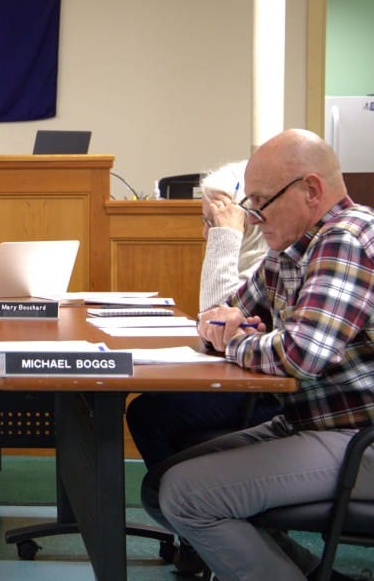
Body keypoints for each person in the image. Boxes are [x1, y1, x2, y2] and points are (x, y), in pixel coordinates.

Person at [141, 129, 374, 581]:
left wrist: (235, 339)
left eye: (261, 201)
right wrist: (226, 328)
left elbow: (301, 354)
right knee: (159, 488)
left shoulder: (345, 238)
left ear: (311, 190)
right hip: (312, 424)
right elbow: (220, 315)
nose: (252, 215)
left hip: (359, 437)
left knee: (187, 496)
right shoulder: (289, 249)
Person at [127, 161, 280, 469]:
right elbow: (216, 324)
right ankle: (180, 496)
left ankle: (175, 497)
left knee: (148, 414)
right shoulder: (259, 259)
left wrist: (224, 235)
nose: (203, 231)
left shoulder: (271, 256)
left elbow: (216, 322)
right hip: (250, 378)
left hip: (271, 396)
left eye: (210, 220)